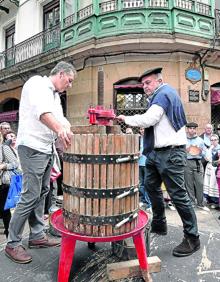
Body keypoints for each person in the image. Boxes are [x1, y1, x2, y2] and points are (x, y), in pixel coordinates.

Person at [117, 67, 200, 257]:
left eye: (148, 82)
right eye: (143, 84)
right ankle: (160, 223)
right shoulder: (160, 95)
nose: (145, 86)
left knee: (178, 195)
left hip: (171, 153)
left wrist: (125, 118)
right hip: (157, 152)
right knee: (150, 185)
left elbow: (149, 118)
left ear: (159, 81)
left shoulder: (163, 93)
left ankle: (192, 238)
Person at [5, 61, 76, 264]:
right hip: (32, 148)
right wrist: (59, 130)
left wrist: (68, 130)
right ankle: (12, 243)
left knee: (43, 192)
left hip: (45, 149)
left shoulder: (55, 96)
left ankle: (36, 236)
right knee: (30, 195)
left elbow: (61, 119)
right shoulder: (37, 84)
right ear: (61, 74)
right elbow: (42, 113)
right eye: (69, 80)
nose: (69, 85)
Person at [0, 130, 21, 238]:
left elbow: (15, 163)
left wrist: (3, 166)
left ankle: (10, 233)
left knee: (6, 209)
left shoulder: (4, 147)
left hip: (4, 183)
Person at [184, 122, 209, 211]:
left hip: (198, 162)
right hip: (187, 163)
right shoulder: (183, 140)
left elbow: (205, 153)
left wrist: (201, 151)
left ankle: (200, 203)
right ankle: (191, 202)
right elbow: (179, 152)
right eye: (190, 128)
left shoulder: (200, 140)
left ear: (196, 129)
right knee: (189, 184)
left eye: (194, 128)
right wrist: (185, 151)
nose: (192, 130)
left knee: (200, 183)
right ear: (187, 129)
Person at [203, 134, 220, 208]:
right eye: (211, 140)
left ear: (218, 140)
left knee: (215, 184)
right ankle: (210, 200)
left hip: (217, 168)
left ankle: (216, 201)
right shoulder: (209, 148)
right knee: (209, 183)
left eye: (215, 140)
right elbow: (206, 158)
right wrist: (209, 149)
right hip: (209, 167)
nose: (213, 141)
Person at [138, 127, 151, 210]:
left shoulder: (150, 139)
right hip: (139, 164)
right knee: (141, 184)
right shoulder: (138, 139)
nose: (142, 130)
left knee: (148, 184)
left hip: (147, 164)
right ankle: (143, 201)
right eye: (141, 129)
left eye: (144, 129)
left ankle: (150, 203)